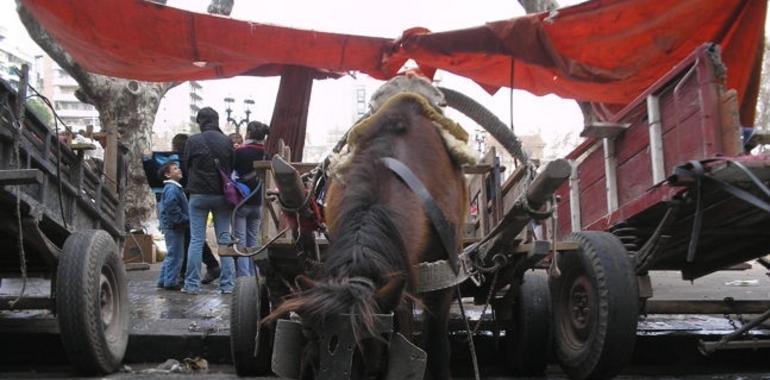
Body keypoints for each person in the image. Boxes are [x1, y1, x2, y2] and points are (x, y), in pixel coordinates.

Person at [142, 134, 221, 284]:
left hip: (178, 208)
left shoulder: (167, 167)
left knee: (183, 244)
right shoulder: (188, 162)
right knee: (189, 240)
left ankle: (176, 276)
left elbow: (153, 178)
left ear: (174, 146)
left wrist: (147, 160)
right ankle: (180, 275)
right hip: (188, 202)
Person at [181, 107, 235, 294]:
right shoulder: (227, 141)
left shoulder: (192, 141)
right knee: (224, 240)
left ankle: (191, 285)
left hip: (198, 195)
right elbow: (231, 167)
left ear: (200, 122)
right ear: (217, 120)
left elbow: (185, 167)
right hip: (222, 195)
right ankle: (228, 285)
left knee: (196, 240)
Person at [232, 121, 270, 277]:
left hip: (241, 200)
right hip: (258, 202)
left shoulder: (240, 152)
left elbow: (231, 172)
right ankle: (255, 276)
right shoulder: (267, 154)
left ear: (248, 133)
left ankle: (244, 278)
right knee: (253, 241)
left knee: (240, 243)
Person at [156, 162, 188, 290]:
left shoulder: (172, 188)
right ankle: (171, 281)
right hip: (174, 226)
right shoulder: (172, 188)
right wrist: (181, 219)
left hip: (172, 225)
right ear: (167, 175)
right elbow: (171, 207)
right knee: (176, 254)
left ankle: (163, 279)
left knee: (172, 253)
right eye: (175, 169)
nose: (179, 169)